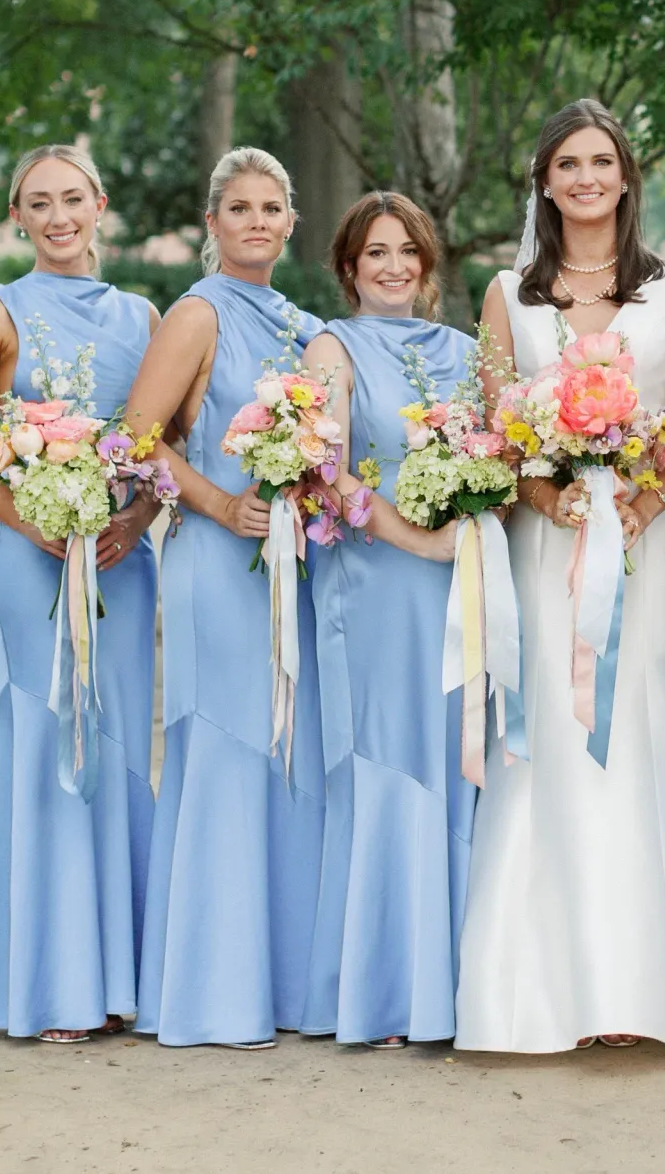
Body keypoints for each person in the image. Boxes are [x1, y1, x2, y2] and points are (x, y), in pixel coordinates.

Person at [455, 100, 665, 1054]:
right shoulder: (506, 297)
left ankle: (641, 987)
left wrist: (644, 503)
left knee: (641, 722)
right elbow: (493, 431)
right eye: (567, 162)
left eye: (601, 160)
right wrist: (546, 493)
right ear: (544, 180)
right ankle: (544, 988)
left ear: (626, 176)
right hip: (550, 542)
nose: (585, 178)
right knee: (555, 737)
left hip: (654, 540)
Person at [0, 144, 160, 1042]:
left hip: (117, 560)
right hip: (30, 560)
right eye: (39, 203)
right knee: (46, 738)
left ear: (101, 204)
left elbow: (161, 442)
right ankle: (50, 984)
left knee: (117, 739)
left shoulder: (143, 316)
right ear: (17, 217)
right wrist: (27, 520)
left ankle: (122, 978)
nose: (59, 216)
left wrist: (137, 519)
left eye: (73, 198)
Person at [121, 147, 325, 1049]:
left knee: (285, 753)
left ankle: (279, 985)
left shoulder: (305, 325)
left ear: (290, 222)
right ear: (212, 223)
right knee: (224, 750)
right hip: (213, 557)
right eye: (237, 207)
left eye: (270, 207)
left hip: (290, 566)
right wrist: (217, 503)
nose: (254, 220)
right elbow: (137, 435)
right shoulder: (197, 313)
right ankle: (206, 993)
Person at [299, 193, 475, 1049]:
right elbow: (325, 474)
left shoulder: (471, 353)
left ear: (428, 265)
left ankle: (465, 982)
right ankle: (390, 993)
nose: (394, 266)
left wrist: (466, 539)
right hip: (376, 580)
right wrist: (421, 543)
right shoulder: (332, 347)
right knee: (391, 759)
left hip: (461, 585)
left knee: (456, 760)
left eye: (409, 252)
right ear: (348, 267)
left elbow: (506, 456)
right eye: (376, 253)